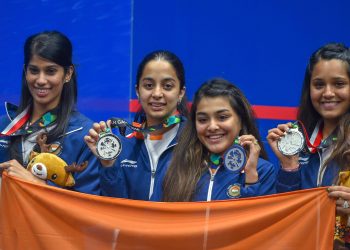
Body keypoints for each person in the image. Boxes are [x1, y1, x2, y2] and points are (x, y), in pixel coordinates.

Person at [266, 43, 350, 248]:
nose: (328, 93)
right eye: (319, 84)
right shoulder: (298, 139)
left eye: (339, 84)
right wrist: (289, 166)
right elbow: (287, 212)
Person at [0, 31, 100, 195]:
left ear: (67, 74)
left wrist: (35, 184)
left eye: (50, 71)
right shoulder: (5, 126)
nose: (40, 80)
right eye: (34, 70)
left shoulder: (84, 136)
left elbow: (87, 208)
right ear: (25, 72)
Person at [84, 50, 188, 200]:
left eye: (167, 86)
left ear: (181, 92)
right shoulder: (123, 145)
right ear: (137, 91)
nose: (157, 93)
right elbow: (116, 211)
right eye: (149, 85)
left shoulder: (194, 142)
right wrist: (108, 165)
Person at [152, 78, 276, 202]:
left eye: (222, 117)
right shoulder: (174, 168)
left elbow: (261, 220)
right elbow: (154, 217)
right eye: (202, 120)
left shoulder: (262, 171)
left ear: (241, 120)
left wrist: (251, 181)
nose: (212, 127)